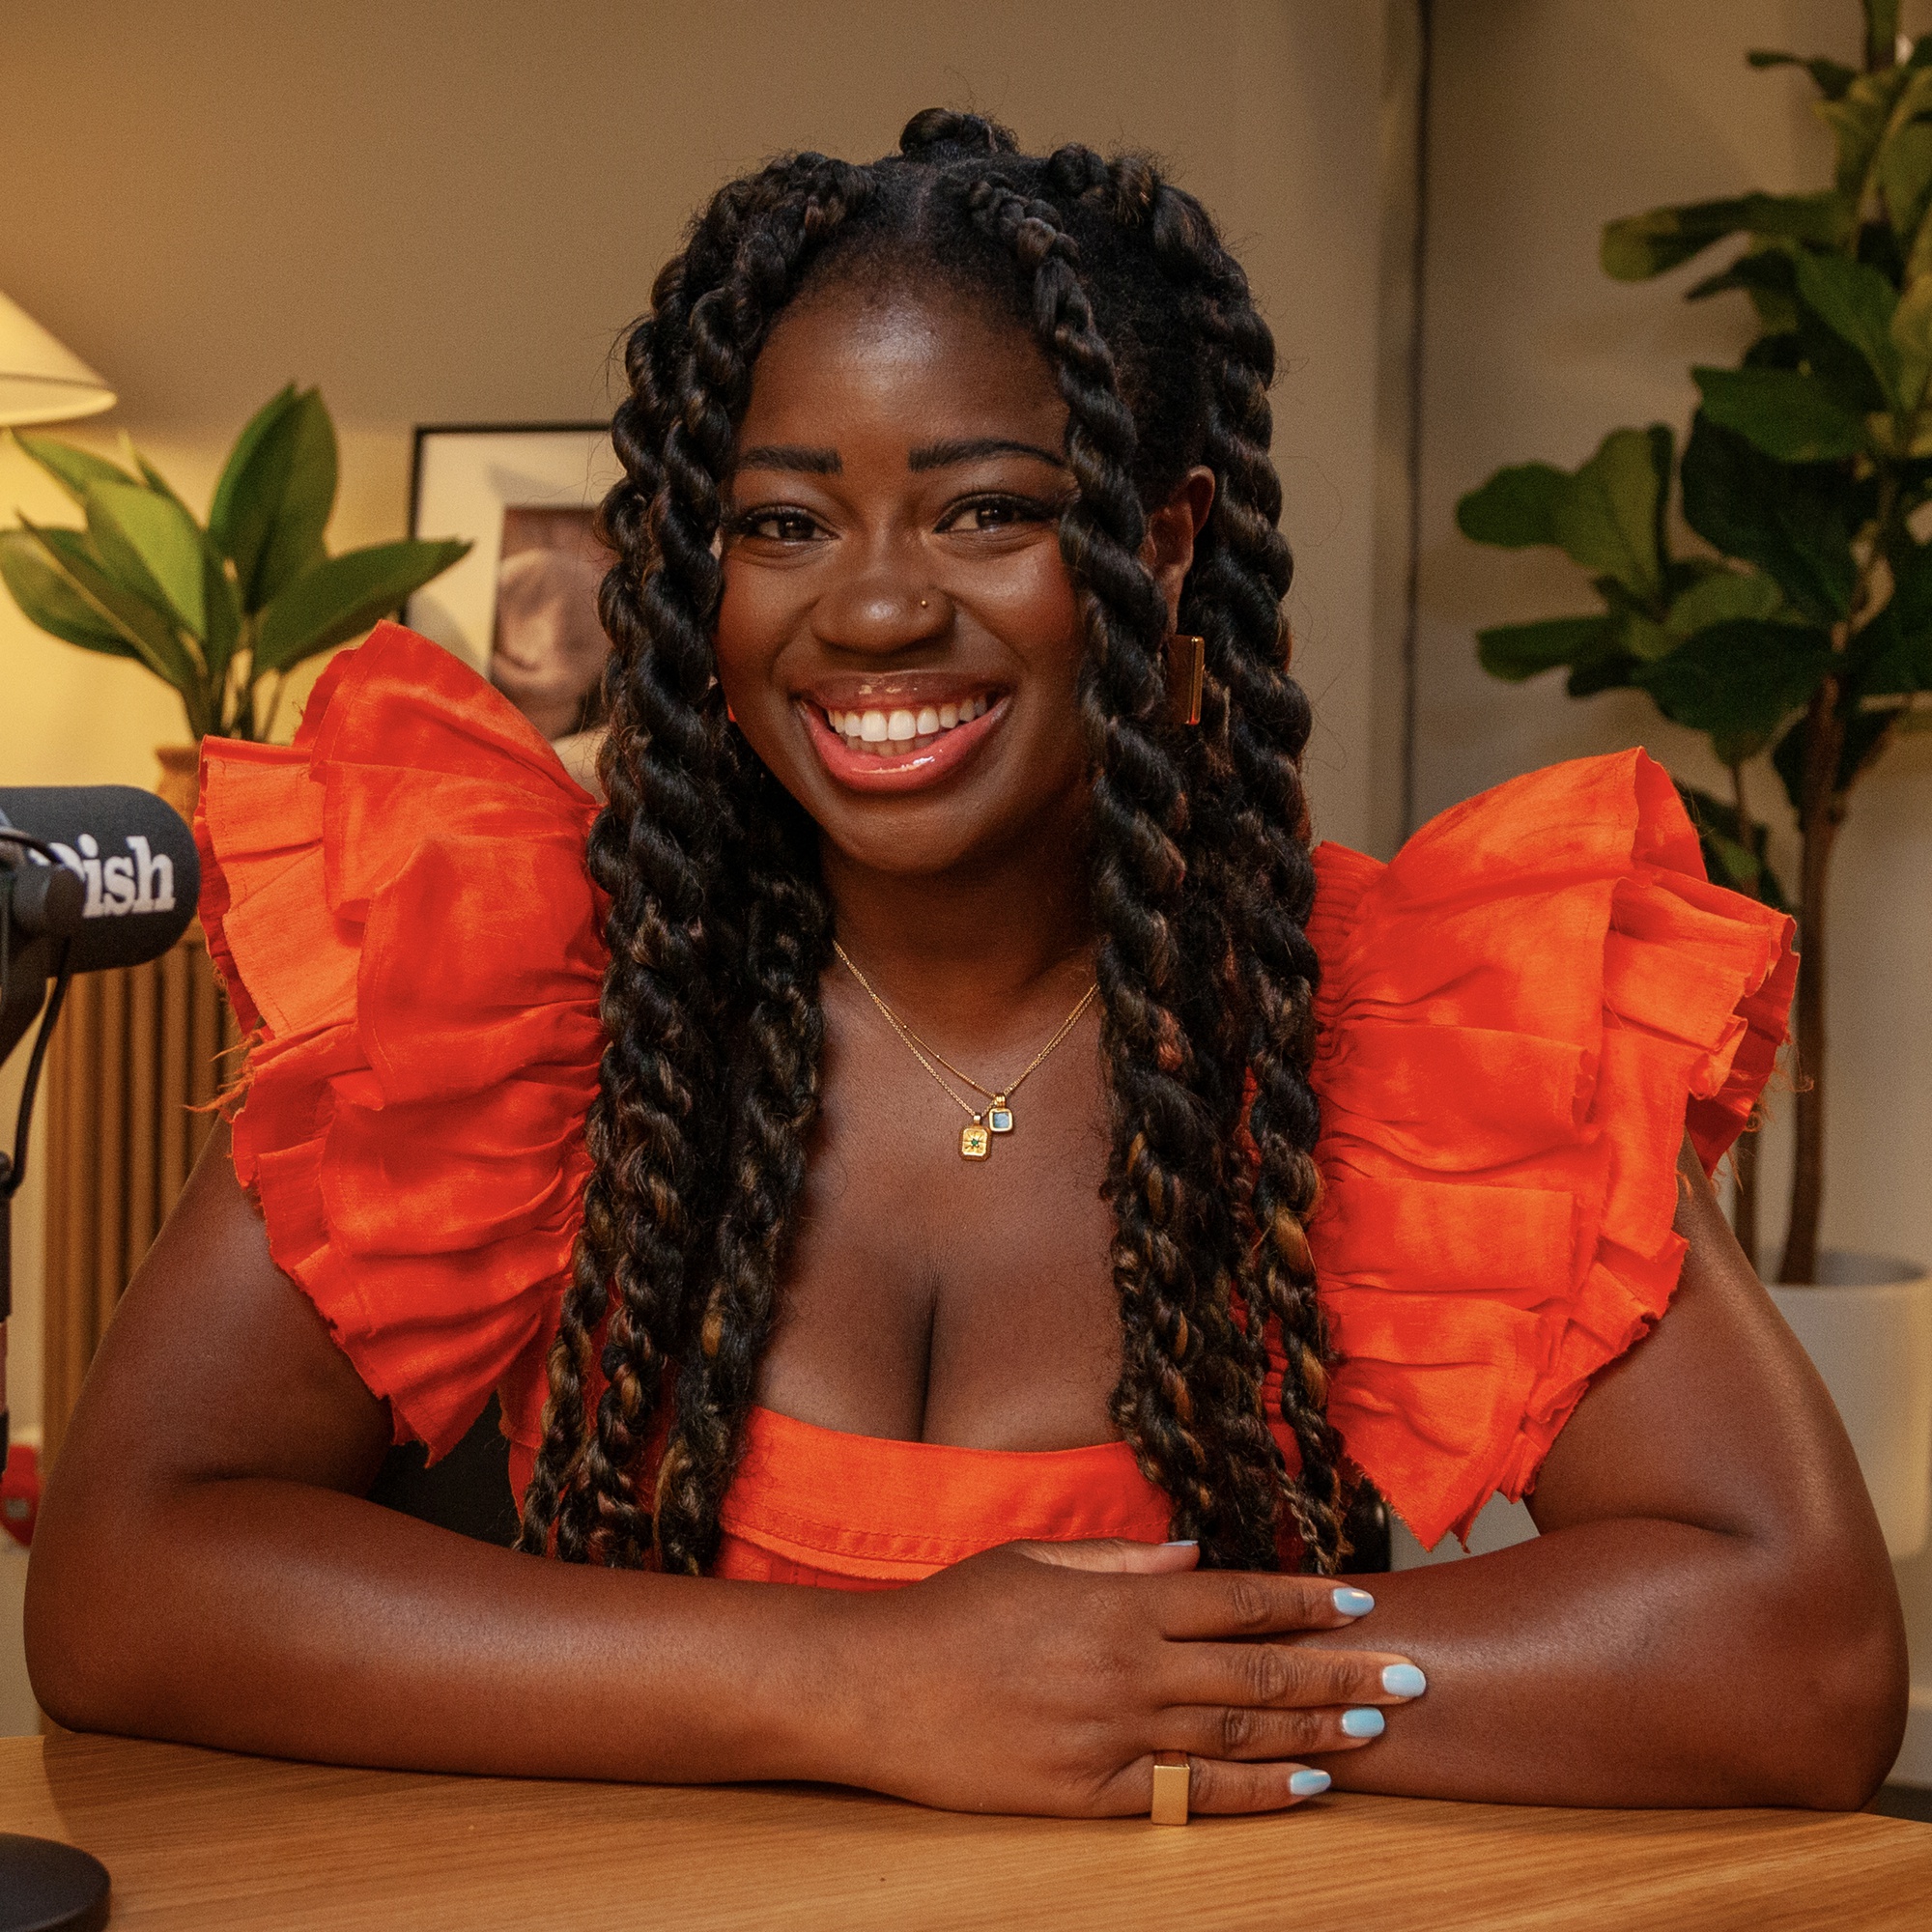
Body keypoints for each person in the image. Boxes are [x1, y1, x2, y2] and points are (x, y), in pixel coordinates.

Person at [25, 111, 1906, 1818]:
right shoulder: (516, 971)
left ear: (1162, 545)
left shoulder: (1405, 1015)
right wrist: (859, 1683)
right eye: (781, 522)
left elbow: (1789, 1656)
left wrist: (1124, 1700)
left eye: (986, 508)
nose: (872, 604)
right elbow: (127, 1584)